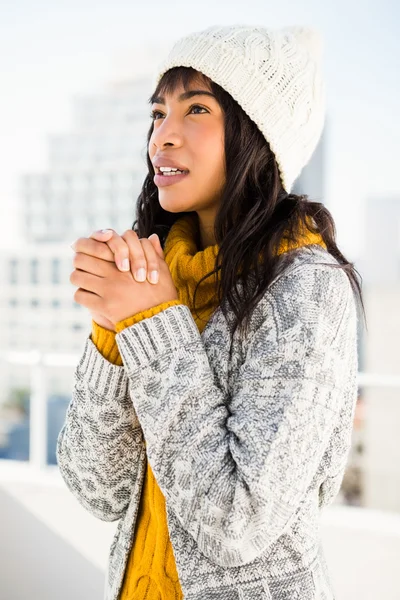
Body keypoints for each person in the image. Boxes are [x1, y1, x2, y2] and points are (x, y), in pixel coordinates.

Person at [57, 24, 365, 600]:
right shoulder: (160, 276)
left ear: (258, 135)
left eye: (196, 108)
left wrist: (149, 324)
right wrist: (110, 331)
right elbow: (97, 488)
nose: (162, 137)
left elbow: (235, 523)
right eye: (157, 113)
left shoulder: (308, 289)